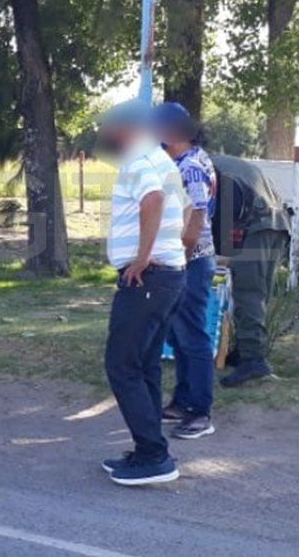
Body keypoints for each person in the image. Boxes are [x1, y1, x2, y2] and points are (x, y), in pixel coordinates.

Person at [98, 97, 189, 487]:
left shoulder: (138, 159)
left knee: (121, 364)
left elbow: (153, 201)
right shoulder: (161, 157)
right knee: (146, 365)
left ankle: (154, 455)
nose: (105, 134)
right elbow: (185, 212)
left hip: (147, 277)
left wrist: (142, 257)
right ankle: (148, 447)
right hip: (168, 274)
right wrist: (170, 251)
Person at [154, 103, 217, 440]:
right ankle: (182, 400)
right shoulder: (182, 161)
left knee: (192, 335)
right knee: (179, 334)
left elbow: (196, 217)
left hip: (190, 259)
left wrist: (182, 257)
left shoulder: (190, 166)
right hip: (185, 257)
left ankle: (200, 411)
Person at [211, 154, 290, 388]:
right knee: (259, 294)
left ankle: (254, 361)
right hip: (277, 224)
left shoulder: (201, 167)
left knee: (248, 294)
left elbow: (223, 209)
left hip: (256, 227)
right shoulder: (223, 162)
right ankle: (248, 350)